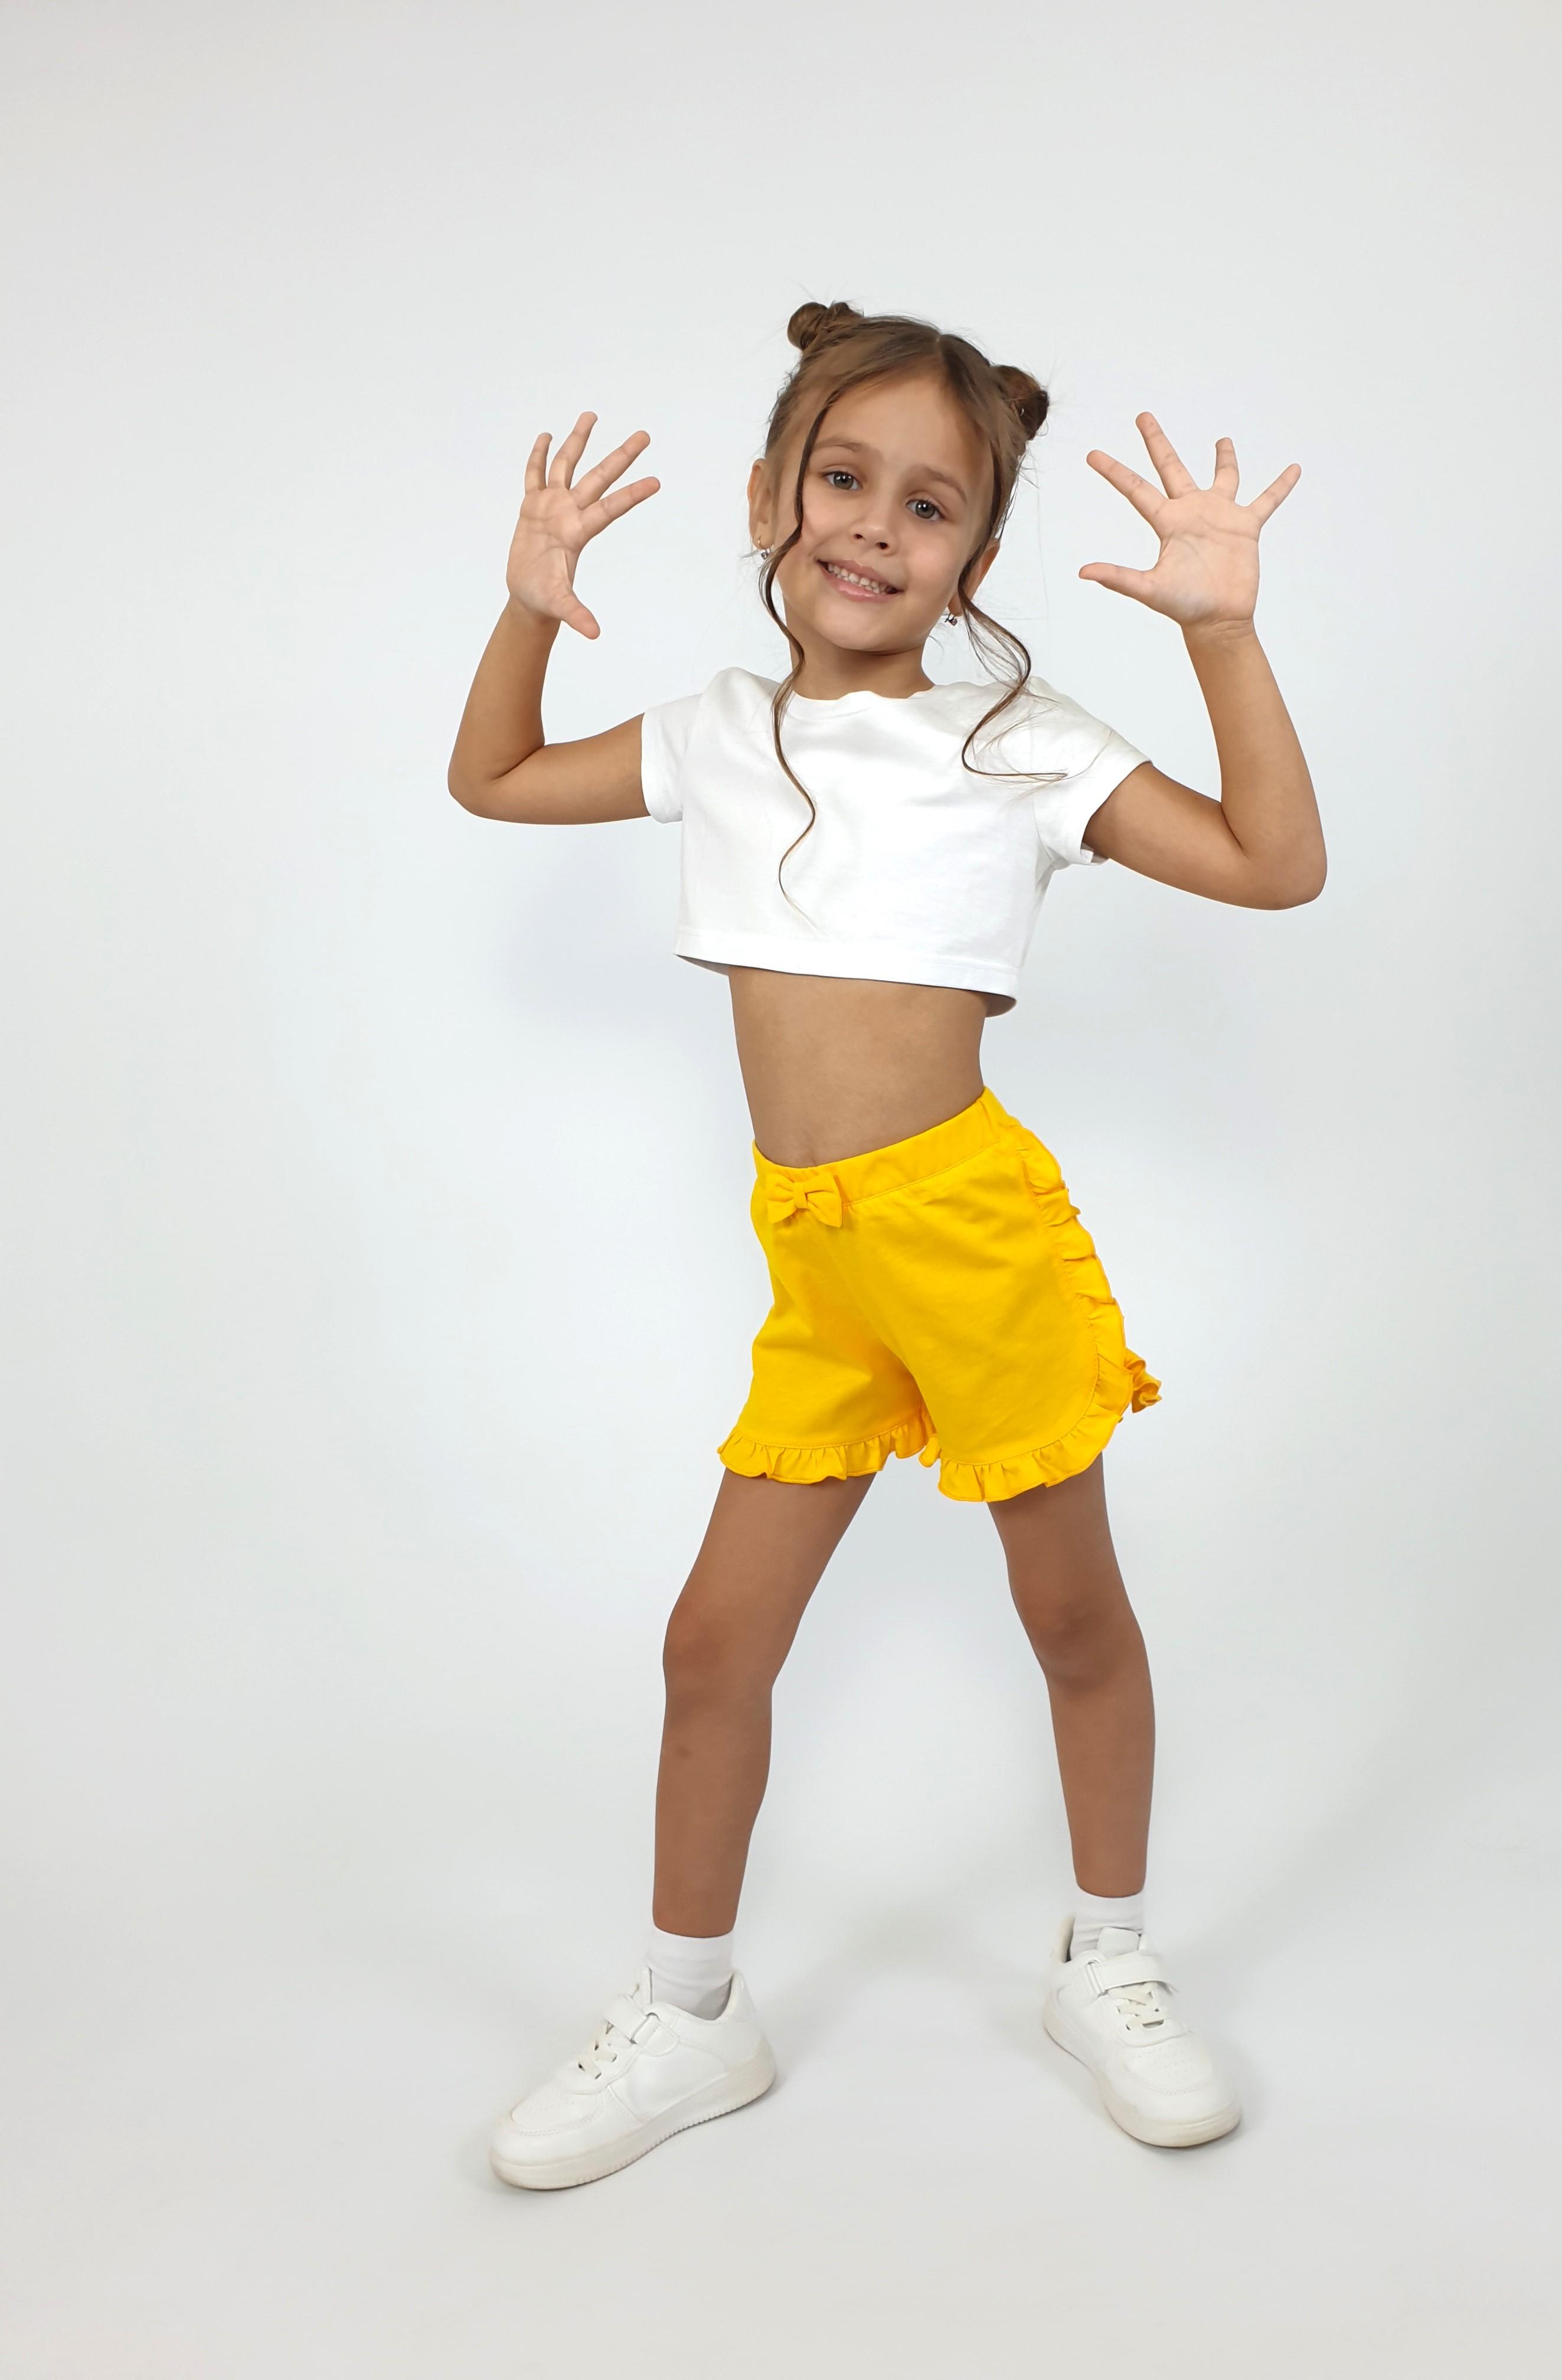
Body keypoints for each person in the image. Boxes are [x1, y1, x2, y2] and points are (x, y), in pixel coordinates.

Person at [448, 300, 1324, 2188]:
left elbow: (1275, 865)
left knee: (1070, 1617)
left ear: (976, 560)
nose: (872, 525)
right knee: (712, 1645)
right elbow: (494, 779)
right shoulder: (717, 734)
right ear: (769, 492)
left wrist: (1223, 636)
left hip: (971, 1237)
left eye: (929, 506)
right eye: (840, 478)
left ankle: (1109, 1961)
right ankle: (692, 2013)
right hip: (818, 1263)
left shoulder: (1016, 743)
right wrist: (526, 605)